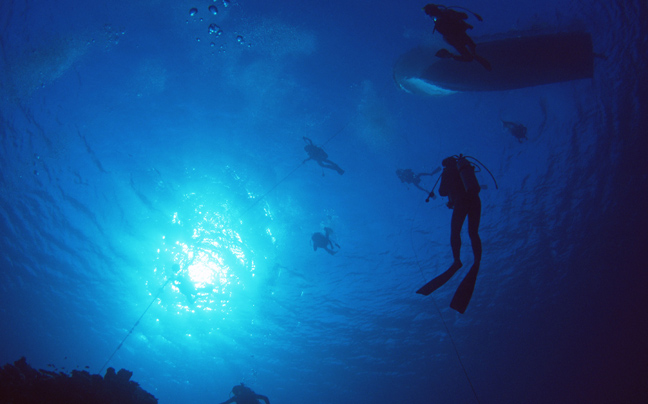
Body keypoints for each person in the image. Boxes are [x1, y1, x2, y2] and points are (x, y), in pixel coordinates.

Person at [437, 155, 482, 313]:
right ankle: (476, 262)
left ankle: (457, 260)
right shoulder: (464, 168)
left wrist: (448, 185)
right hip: (475, 199)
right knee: (473, 232)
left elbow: (442, 191)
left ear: (447, 163)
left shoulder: (449, 171)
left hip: (462, 201)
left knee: (455, 232)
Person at [422, 4, 492, 71]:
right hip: (456, 40)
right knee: (470, 56)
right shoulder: (439, 21)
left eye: (430, 13)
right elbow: (464, 17)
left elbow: (464, 16)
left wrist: (456, 16)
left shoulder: (447, 14)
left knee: (471, 53)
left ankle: (452, 56)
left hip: (459, 37)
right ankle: (452, 56)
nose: (431, 15)